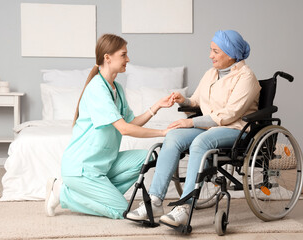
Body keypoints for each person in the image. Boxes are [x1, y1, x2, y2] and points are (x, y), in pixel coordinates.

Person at [126, 30, 261, 227]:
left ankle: (185, 206)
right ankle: (155, 201)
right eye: (210, 50)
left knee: (200, 142)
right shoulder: (211, 74)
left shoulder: (246, 78)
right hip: (209, 128)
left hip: (235, 130)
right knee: (173, 136)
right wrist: (185, 100)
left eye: (215, 51)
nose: (210, 55)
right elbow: (198, 101)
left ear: (230, 54)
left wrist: (191, 122)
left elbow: (229, 115)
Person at [44, 34, 176, 219]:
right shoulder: (97, 88)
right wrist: (163, 132)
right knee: (124, 211)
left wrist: (157, 106)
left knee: (147, 157)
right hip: (82, 168)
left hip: (104, 164)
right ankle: (63, 192)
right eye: (123, 55)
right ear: (108, 57)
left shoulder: (117, 89)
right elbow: (124, 129)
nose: (128, 59)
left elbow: (131, 122)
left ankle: (100, 194)